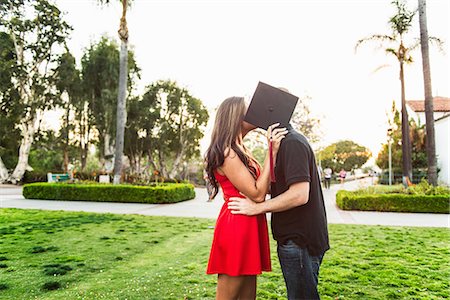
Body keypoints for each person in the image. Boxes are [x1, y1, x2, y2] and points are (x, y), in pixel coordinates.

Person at [228, 84, 330, 300]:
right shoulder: (281, 144)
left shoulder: (292, 143)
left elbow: (300, 194)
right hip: (293, 238)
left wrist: (256, 208)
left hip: (300, 240)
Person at [204, 96, 288, 300]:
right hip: (237, 224)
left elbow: (262, 187)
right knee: (229, 296)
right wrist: (272, 152)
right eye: (249, 110)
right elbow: (258, 193)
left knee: (247, 296)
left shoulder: (240, 149)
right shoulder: (227, 153)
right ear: (236, 117)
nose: (255, 113)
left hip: (248, 221)